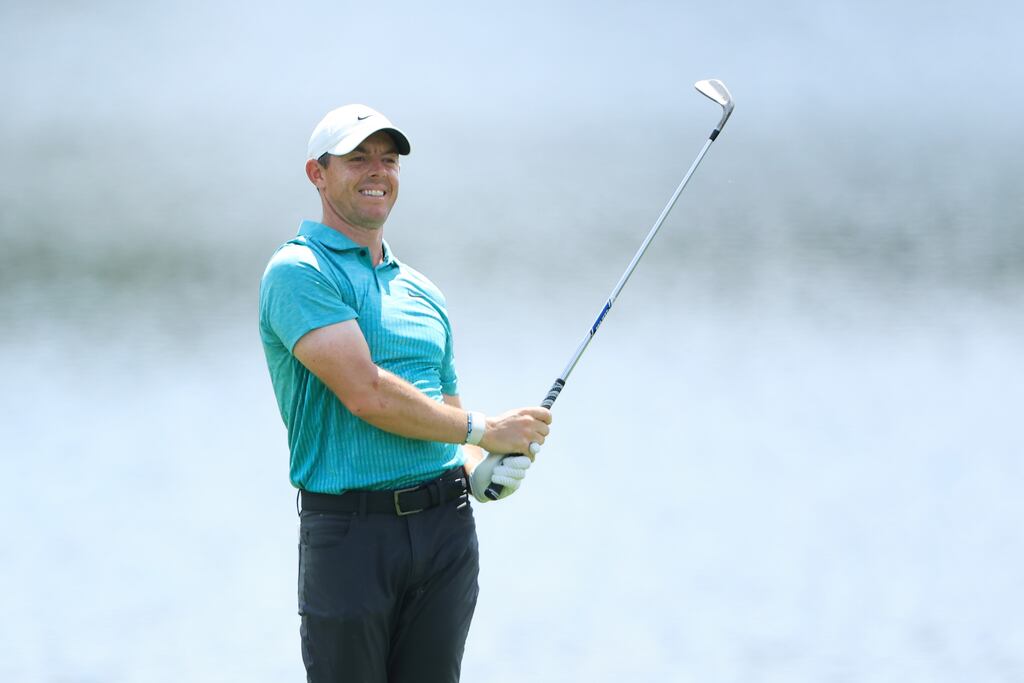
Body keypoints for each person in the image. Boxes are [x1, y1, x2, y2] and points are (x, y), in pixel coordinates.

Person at [258, 104, 553, 683]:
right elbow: (366, 393)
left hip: (446, 528)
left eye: (388, 160)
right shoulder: (299, 272)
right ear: (317, 174)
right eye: (357, 158)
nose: (377, 171)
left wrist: (479, 466)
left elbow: (444, 413)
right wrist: (482, 431)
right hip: (350, 535)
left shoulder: (423, 292)